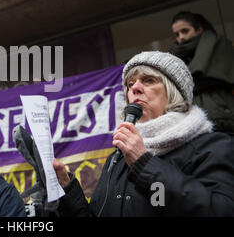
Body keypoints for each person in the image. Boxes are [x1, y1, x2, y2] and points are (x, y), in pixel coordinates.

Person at [53, 51, 234, 216]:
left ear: (174, 92)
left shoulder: (213, 146)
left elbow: (220, 210)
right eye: (130, 84)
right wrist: (67, 190)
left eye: (148, 80)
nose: (135, 88)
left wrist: (144, 164)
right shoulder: (118, 157)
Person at [170, 11, 234, 135]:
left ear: (199, 29)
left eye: (185, 31)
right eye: (176, 34)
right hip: (190, 119)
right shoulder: (174, 55)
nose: (181, 37)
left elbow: (219, 77)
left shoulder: (217, 43)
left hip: (222, 113)